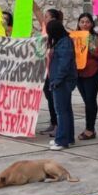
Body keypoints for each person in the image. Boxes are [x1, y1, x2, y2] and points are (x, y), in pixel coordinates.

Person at [46, 19, 77, 150]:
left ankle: (62, 140)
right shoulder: (62, 41)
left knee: (61, 111)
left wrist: (56, 80)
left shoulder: (64, 43)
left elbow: (64, 64)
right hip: (61, 80)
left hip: (62, 81)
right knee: (66, 110)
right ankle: (68, 137)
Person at [75, 13, 98, 141]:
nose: (84, 24)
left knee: (91, 100)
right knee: (87, 101)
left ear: (91, 24)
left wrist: (88, 43)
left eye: (87, 22)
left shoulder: (96, 37)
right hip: (79, 73)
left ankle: (90, 129)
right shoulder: (74, 37)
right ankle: (90, 127)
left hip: (93, 72)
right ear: (78, 23)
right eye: (82, 22)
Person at [38, 8, 65, 137]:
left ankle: (59, 126)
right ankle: (53, 123)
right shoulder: (45, 30)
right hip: (47, 72)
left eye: (47, 16)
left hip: (55, 74)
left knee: (57, 101)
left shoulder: (59, 36)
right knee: (49, 98)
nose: (44, 19)